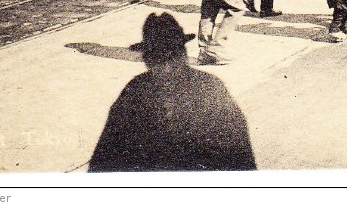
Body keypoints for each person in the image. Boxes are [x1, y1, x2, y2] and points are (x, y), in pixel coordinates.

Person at [88, 12, 256, 172]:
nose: (167, 68)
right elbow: (104, 159)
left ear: (182, 56)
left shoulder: (209, 88)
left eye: (171, 57)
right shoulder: (136, 91)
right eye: (159, 59)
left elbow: (240, 158)